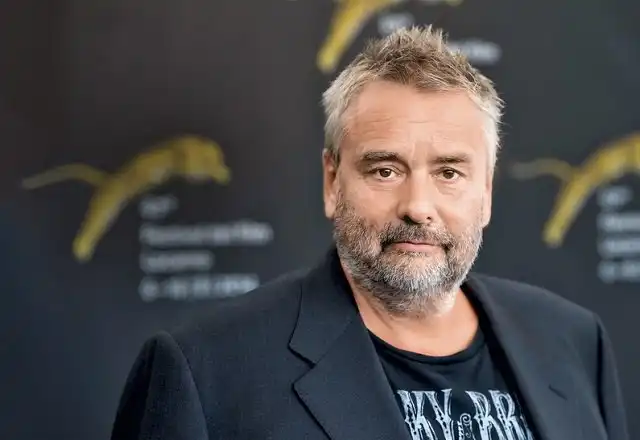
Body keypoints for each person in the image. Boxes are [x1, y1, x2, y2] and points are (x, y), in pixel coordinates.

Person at [110, 26, 628, 440]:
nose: (418, 207)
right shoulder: (206, 373)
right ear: (332, 181)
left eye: (449, 172)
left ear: (486, 191)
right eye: (385, 170)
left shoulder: (573, 341)